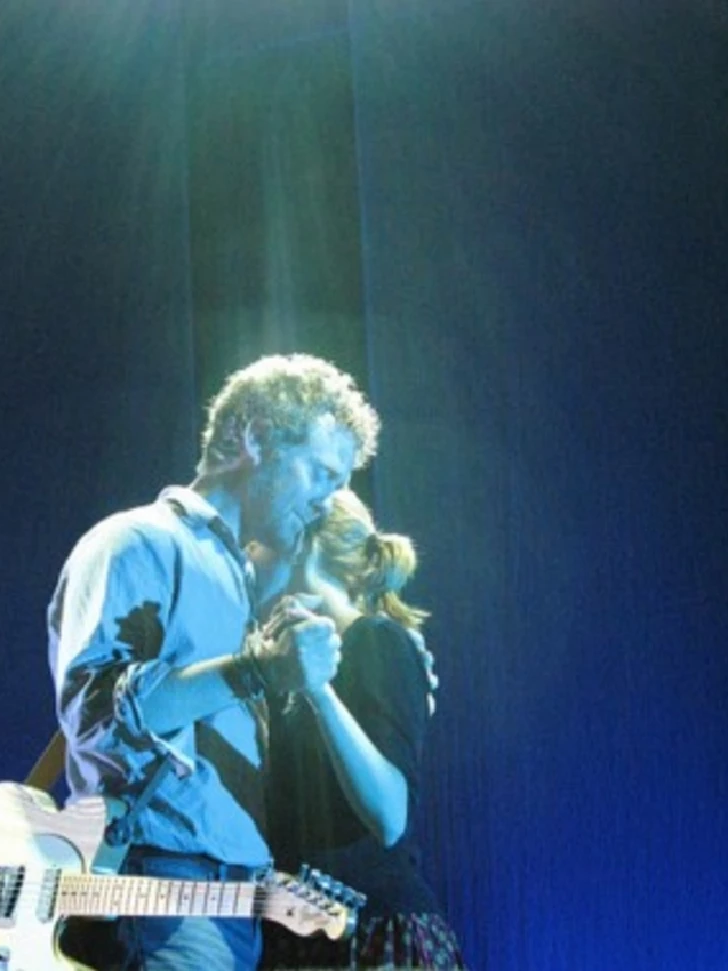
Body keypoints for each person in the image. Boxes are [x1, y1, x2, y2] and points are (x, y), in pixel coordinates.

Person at [47, 354, 380, 971]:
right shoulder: (137, 541)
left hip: (226, 901)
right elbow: (98, 720)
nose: (329, 503)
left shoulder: (235, 580)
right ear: (254, 436)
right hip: (160, 891)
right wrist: (256, 671)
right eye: (321, 474)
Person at [257, 488, 466, 970]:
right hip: (300, 935)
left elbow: (390, 815)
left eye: (263, 539)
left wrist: (319, 690)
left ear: (303, 546)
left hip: (372, 938)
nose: (252, 553)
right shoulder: (280, 663)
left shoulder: (375, 640)